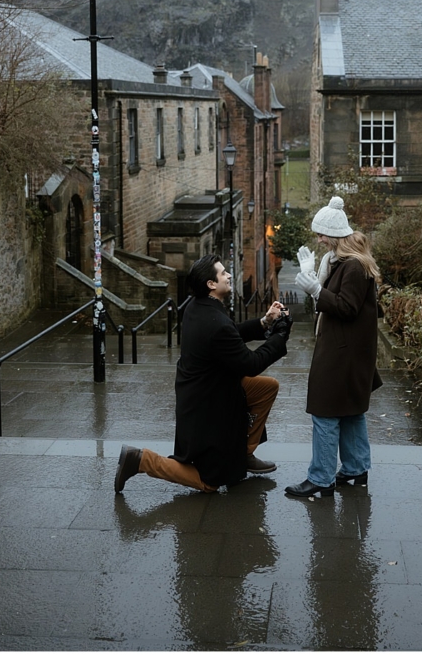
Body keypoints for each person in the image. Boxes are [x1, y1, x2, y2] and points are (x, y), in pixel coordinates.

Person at [115, 254, 291, 495]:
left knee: (266, 388)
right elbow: (250, 363)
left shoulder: (197, 307)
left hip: (205, 391)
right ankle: (141, 460)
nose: (229, 275)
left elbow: (230, 334)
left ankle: (243, 453)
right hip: (207, 407)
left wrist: (265, 322)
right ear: (211, 284)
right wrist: (279, 337)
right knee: (209, 482)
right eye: (223, 273)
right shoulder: (215, 320)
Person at [288, 210, 382, 499]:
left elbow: (347, 307)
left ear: (334, 235)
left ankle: (321, 478)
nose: (318, 240)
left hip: (342, 354)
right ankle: (356, 468)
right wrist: (315, 276)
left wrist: (316, 289)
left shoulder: (353, 267)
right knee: (351, 412)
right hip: (350, 351)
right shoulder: (346, 263)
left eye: (321, 234)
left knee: (325, 414)